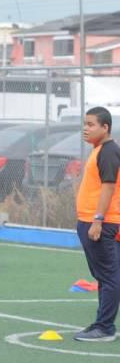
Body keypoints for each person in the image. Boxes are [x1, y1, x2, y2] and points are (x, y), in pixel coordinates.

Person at [73, 106, 120, 342]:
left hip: (102, 222)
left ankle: (105, 328)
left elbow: (109, 186)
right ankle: (103, 323)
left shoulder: (109, 151)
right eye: (84, 124)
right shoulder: (99, 149)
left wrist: (98, 220)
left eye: (91, 124)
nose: (85, 128)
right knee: (106, 275)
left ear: (105, 127)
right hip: (92, 220)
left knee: (109, 276)